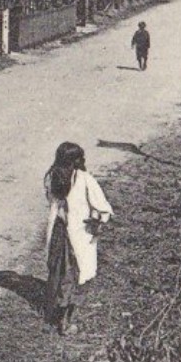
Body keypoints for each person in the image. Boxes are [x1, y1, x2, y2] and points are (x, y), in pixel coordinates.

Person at [43, 142, 114, 335]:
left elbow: (52, 203)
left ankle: (54, 314)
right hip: (78, 235)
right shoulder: (84, 179)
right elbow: (102, 207)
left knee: (59, 273)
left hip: (59, 233)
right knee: (76, 275)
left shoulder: (53, 178)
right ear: (76, 160)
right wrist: (99, 219)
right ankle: (65, 320)